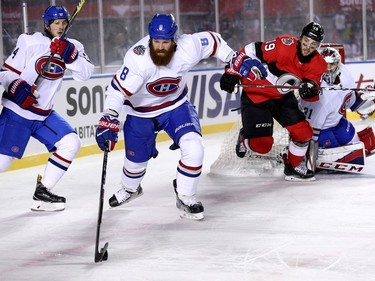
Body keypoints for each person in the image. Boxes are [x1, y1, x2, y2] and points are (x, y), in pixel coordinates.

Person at [95, 14, 265, 220]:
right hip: (140, 112)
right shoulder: (138, 60)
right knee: (135, 162)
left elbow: (215, 42)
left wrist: (234, 58)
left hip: (175, 106)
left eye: (165, 42)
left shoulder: (188, 46)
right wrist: (109, 117)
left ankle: (186, 195)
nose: (159, 47)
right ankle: (130, 189)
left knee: (194, 147)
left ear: (174, 40)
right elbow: (116, 91)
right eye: (155, 41)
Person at [0, 6, 94, 211]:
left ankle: (42, 193)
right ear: (46, 24)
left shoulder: (73, 46)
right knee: (2, 163)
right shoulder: (30, 41)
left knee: (70, 143)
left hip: (44, 115)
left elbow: (86, 74)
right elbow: (5, 73)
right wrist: (15, 86)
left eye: (63, 23)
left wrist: (72, 57)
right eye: (55, 23)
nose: (60, 27)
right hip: (17, 113)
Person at [220, 22, 327, 181]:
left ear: (318, 46)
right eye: (305, 42)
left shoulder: (319, 64)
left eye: (313, 45)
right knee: (262, 146)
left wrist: (309, 90)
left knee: (304, 133)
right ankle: (244, 137)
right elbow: (251, 50)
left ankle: (292, 167)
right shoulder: (284, 46)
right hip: (256, 95)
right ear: (300, 38)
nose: (307, 47)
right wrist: (232, 71)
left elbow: (312, 92)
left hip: (282, 98)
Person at [299, 47, 375, 167]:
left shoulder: (346, 74)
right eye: (325, 65)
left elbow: (352, 100)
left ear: (338, 64)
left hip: (336, 121)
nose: (328, 69)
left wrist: (371, 99)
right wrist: (308, 161)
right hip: (320, 131)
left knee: (354, 140)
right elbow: (311, 132)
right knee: (340, 155)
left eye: (332, 65)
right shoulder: (317, 93)